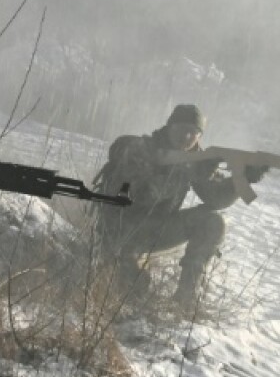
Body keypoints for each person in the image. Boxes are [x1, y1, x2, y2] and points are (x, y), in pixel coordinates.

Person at [91, 104, 267, 308]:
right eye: (182, 129)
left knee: (212, 222)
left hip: (156, 230)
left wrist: (241, 179)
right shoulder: (142, 149)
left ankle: (186, 299)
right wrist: (182, 173)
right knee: (134, 289)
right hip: (119, 230)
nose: (187, 137)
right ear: (169, 127)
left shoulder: (195, 160)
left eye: (194, 133)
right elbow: (137, 196)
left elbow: (215, 199)